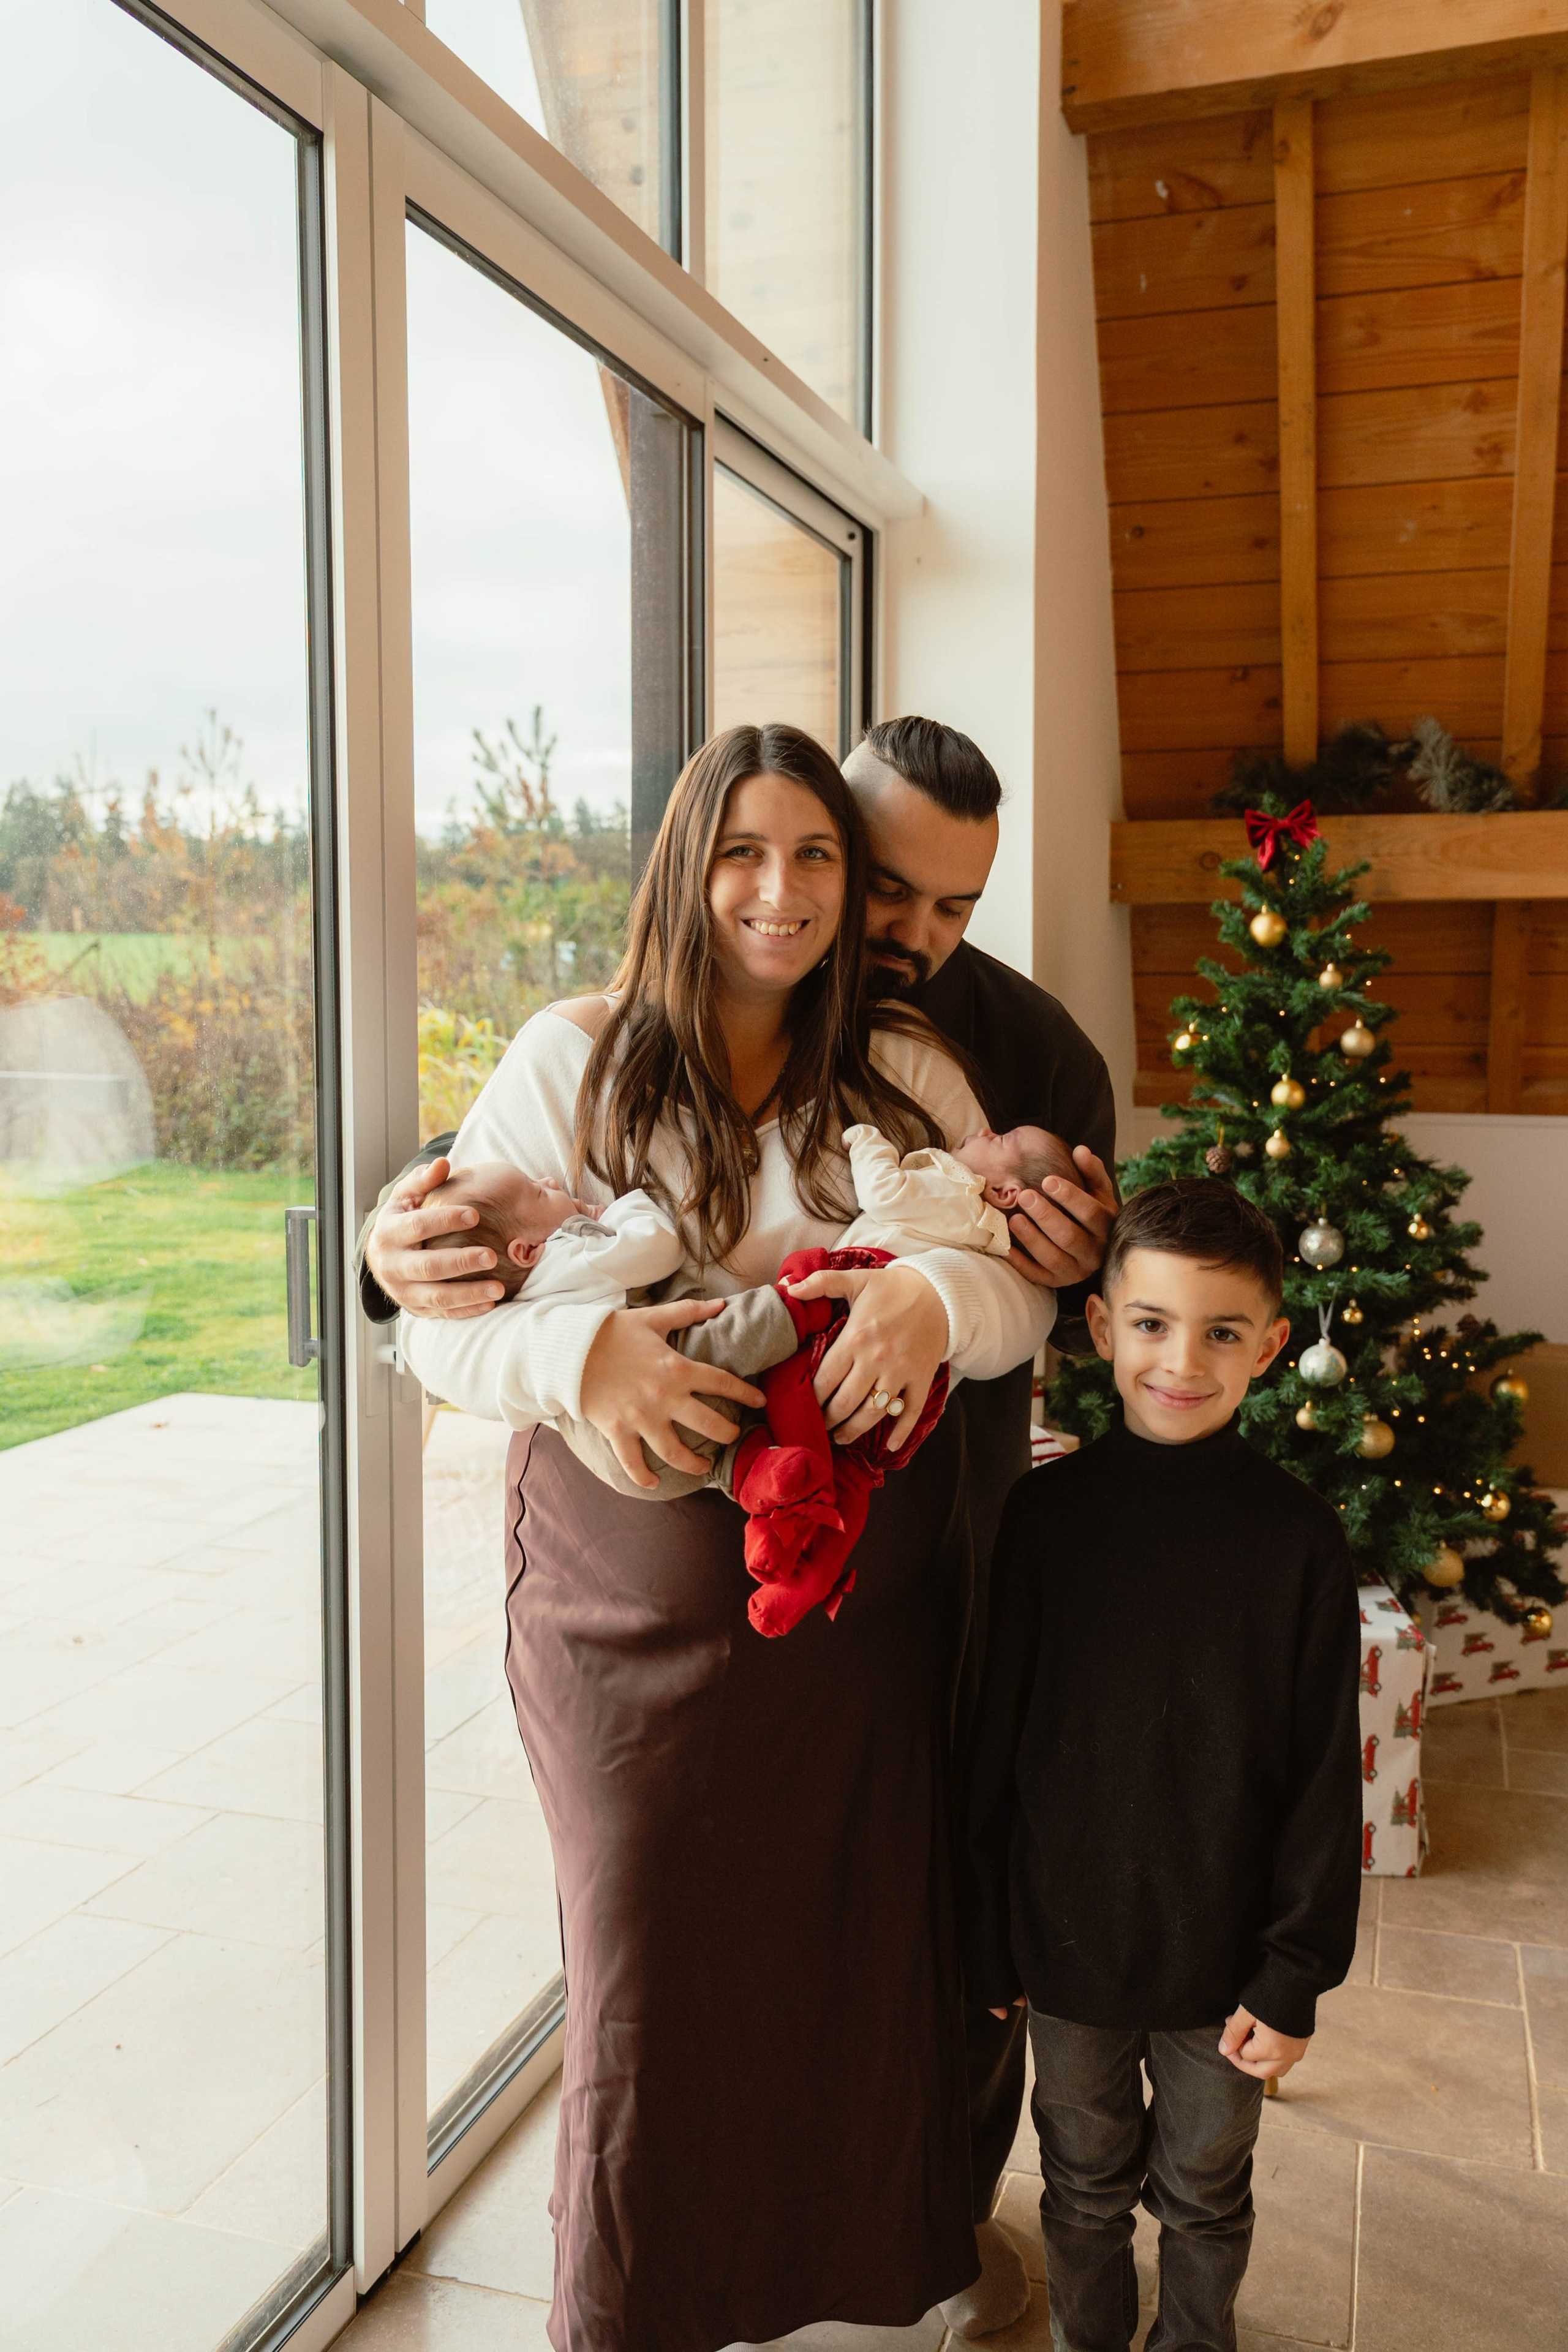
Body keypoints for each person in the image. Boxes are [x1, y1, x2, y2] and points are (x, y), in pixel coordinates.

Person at [360, 714, 1118, 2334]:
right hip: (626, 1627)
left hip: (860, 1631)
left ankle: (852, 2272)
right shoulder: (568, 1056)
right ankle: (637, 2306)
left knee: (849, 1962)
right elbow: (429, 1323)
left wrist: (928, 1294)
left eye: (815, 858)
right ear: (685, 867)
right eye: (744, 852)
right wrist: (583, 1349)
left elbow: (1012, 1281)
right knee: (650, 1976)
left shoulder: (913, 1070)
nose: (783, 890)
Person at [962, 1179, 1363, 2352]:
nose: (1182, 1360)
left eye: (1222, 1331)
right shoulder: (1044, 1517)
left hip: (1225, 1968)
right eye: (1151, 1324)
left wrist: (1294, 1976)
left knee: (1203, 2191)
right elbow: (994, 1740)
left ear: (1272, 1347)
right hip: (1067, 1948)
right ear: (1100, 1327)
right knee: (1081, 2188)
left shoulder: (1299, 1541)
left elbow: (1323, 1781)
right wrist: (987, 1930)